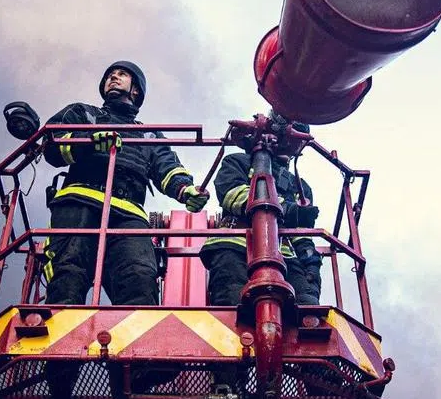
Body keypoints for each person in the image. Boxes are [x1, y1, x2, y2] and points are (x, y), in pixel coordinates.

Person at [40, 60, 210, 305]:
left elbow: (167, 167)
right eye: (110, 74)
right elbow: (52, 146)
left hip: (128, 215)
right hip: (79, 203)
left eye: (121, 74)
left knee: (139, 277)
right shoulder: (83, 113)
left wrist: (186, 189)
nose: (113, 77)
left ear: (136, 90)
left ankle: (140, 339)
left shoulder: (148, 135)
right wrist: (87, 142)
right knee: (68, 272)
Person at [200, 118, 322, 306]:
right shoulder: (237, 162)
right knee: (232, 305)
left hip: (283, 255)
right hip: (234, 246)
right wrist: (287, 209)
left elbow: (301, 235)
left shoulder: (300, 186)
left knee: (307, 306)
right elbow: (231, 194)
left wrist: (311, 264)